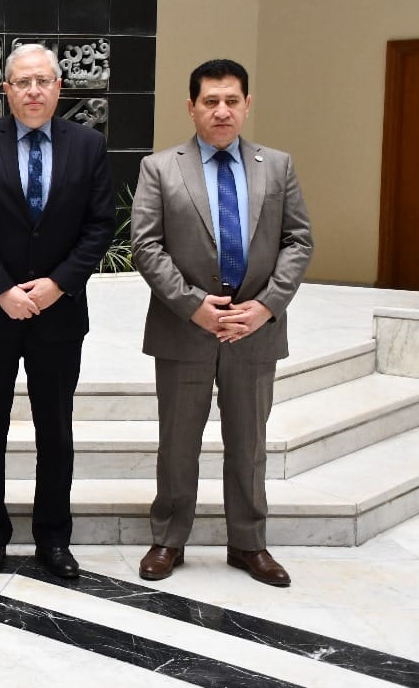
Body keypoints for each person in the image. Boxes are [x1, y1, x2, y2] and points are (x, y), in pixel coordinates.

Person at [132, 59, 313, 587]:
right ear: (191, 107)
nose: (222, 111)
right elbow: (146, 246)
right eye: (210, 101)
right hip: (183, 328)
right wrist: (194, 305)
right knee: (178, 442)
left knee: (249, 444)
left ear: (247, 105)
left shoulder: (277, 166)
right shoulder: (160, 168)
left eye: (232, 100)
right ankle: (168, 539)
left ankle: (249, 544)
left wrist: (266, 306)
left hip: (255, 330)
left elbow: (298, 241)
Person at [0, 44, 115, 579]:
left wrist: (57, 285)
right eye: (23, 82)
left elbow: (99, 225)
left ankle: (54, 538)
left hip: (58, 315)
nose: (34, 91)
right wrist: (2, 289)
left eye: (43, 81)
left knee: (55, 430)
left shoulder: (88, 145)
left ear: (59, 87)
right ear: (6, 90)